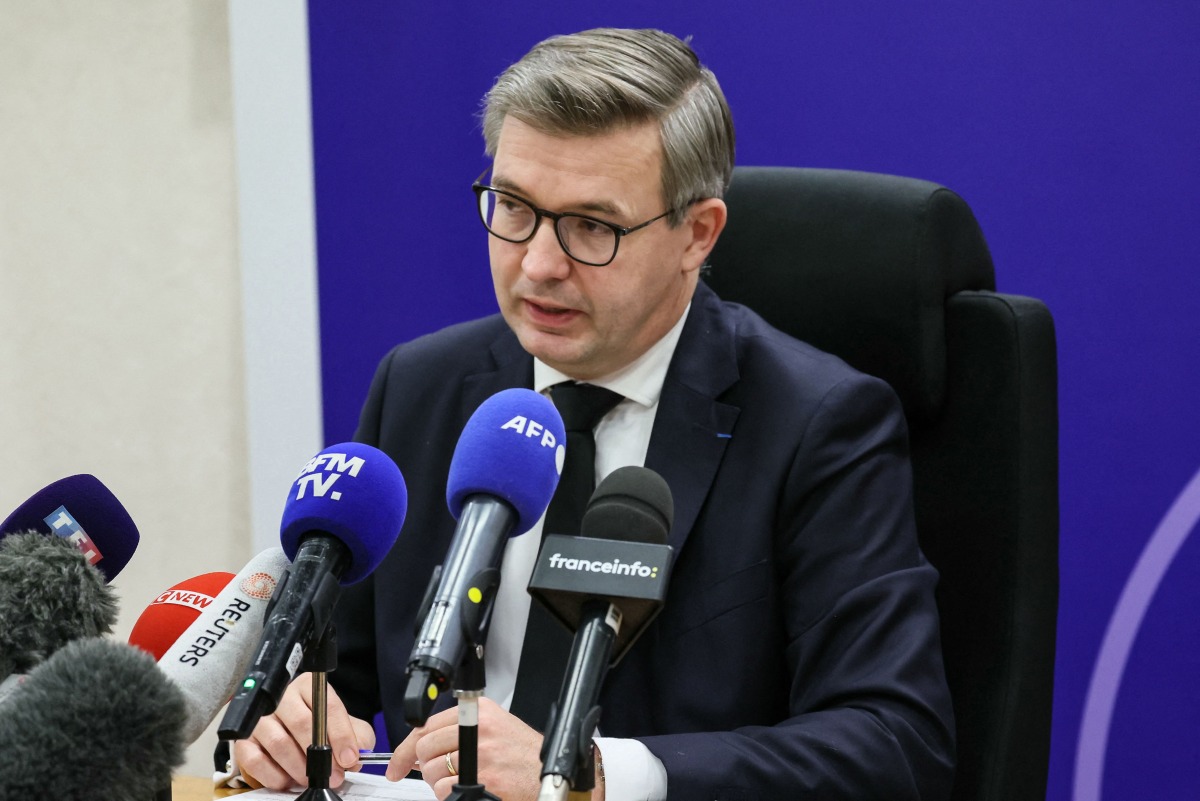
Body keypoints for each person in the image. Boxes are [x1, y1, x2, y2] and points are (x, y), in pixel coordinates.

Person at [233, 27, 955, 800]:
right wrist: (290, 710)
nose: (539, 263)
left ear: (697, 233)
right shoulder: (423, 386)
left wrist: (600, 773)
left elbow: (893, 739)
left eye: (592, 227)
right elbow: (328, 665)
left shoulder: (817, 424)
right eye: (513, 206)